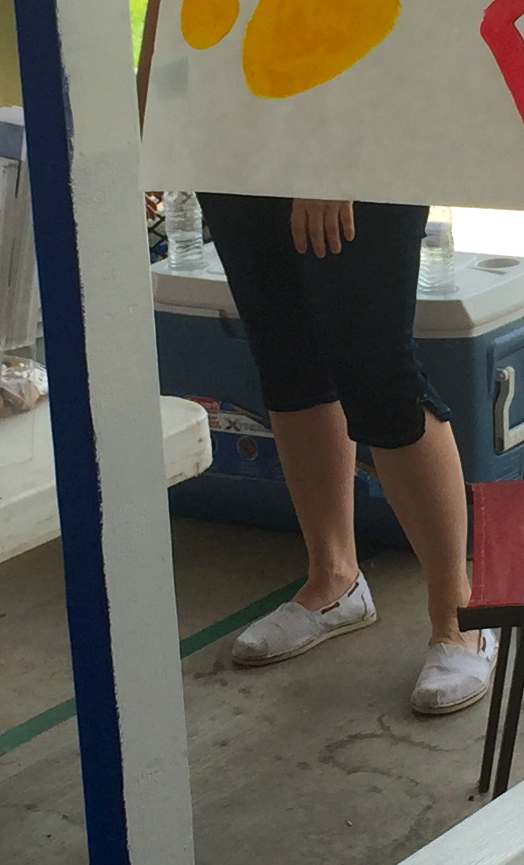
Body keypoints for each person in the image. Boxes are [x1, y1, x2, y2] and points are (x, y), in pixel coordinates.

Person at [204, 193, 497, 719]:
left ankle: (459, 618)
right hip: (239, 140)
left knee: (377, 369)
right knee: (287, 357)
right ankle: (334, 580)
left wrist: (332, 163)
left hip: (343, 136)